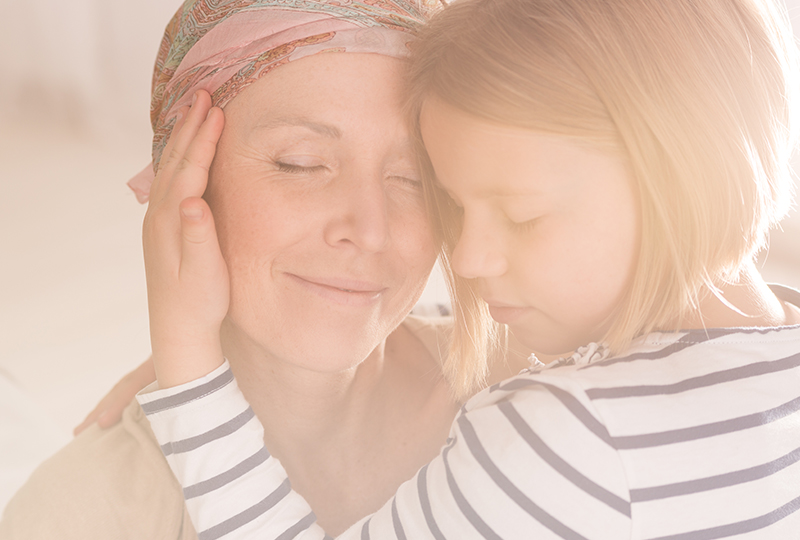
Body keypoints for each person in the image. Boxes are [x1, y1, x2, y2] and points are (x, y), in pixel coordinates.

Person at [131, 0, 800, 537]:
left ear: (682, 184)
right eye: (448, 201)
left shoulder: (568, 442)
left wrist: (192, 366)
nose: (470, 261)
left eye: (522, 215)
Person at [0, 1, 529, 538]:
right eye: (300, 164)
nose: (369, 229)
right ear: (184, 180)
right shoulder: (76, 517)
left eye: (414, 178)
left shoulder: (545, 397)